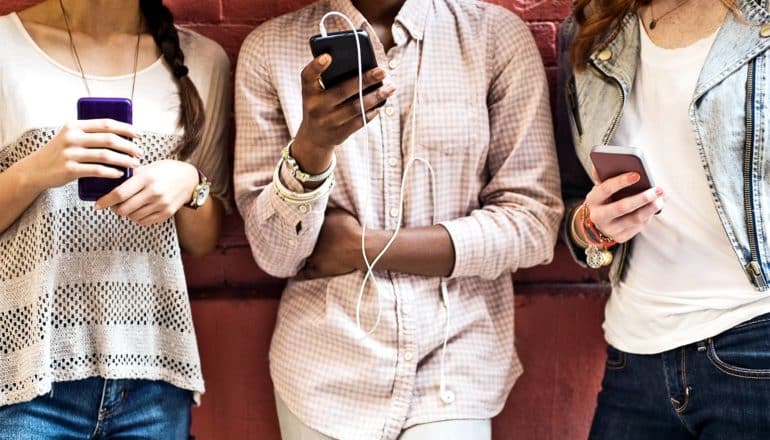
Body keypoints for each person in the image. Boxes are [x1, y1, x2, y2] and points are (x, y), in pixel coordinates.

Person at [234, 0, 563, 438]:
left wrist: (363, 247)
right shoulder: (269, 50)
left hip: (453, 363)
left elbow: (534, 222)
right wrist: (312, 146)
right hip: (325, 370)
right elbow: (275, 254)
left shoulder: (494, 37)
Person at [0, 0, 230, 437]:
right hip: (26, 378)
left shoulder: (204, 61)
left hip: (154, 380)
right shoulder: (5, 45)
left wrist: (190, 182)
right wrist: (35, 169)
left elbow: (203, 242)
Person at [557, 0, 770, 438]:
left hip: (756, 343)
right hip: (633, 357)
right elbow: (573, 201)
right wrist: (591, 226)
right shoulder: (591, 29)